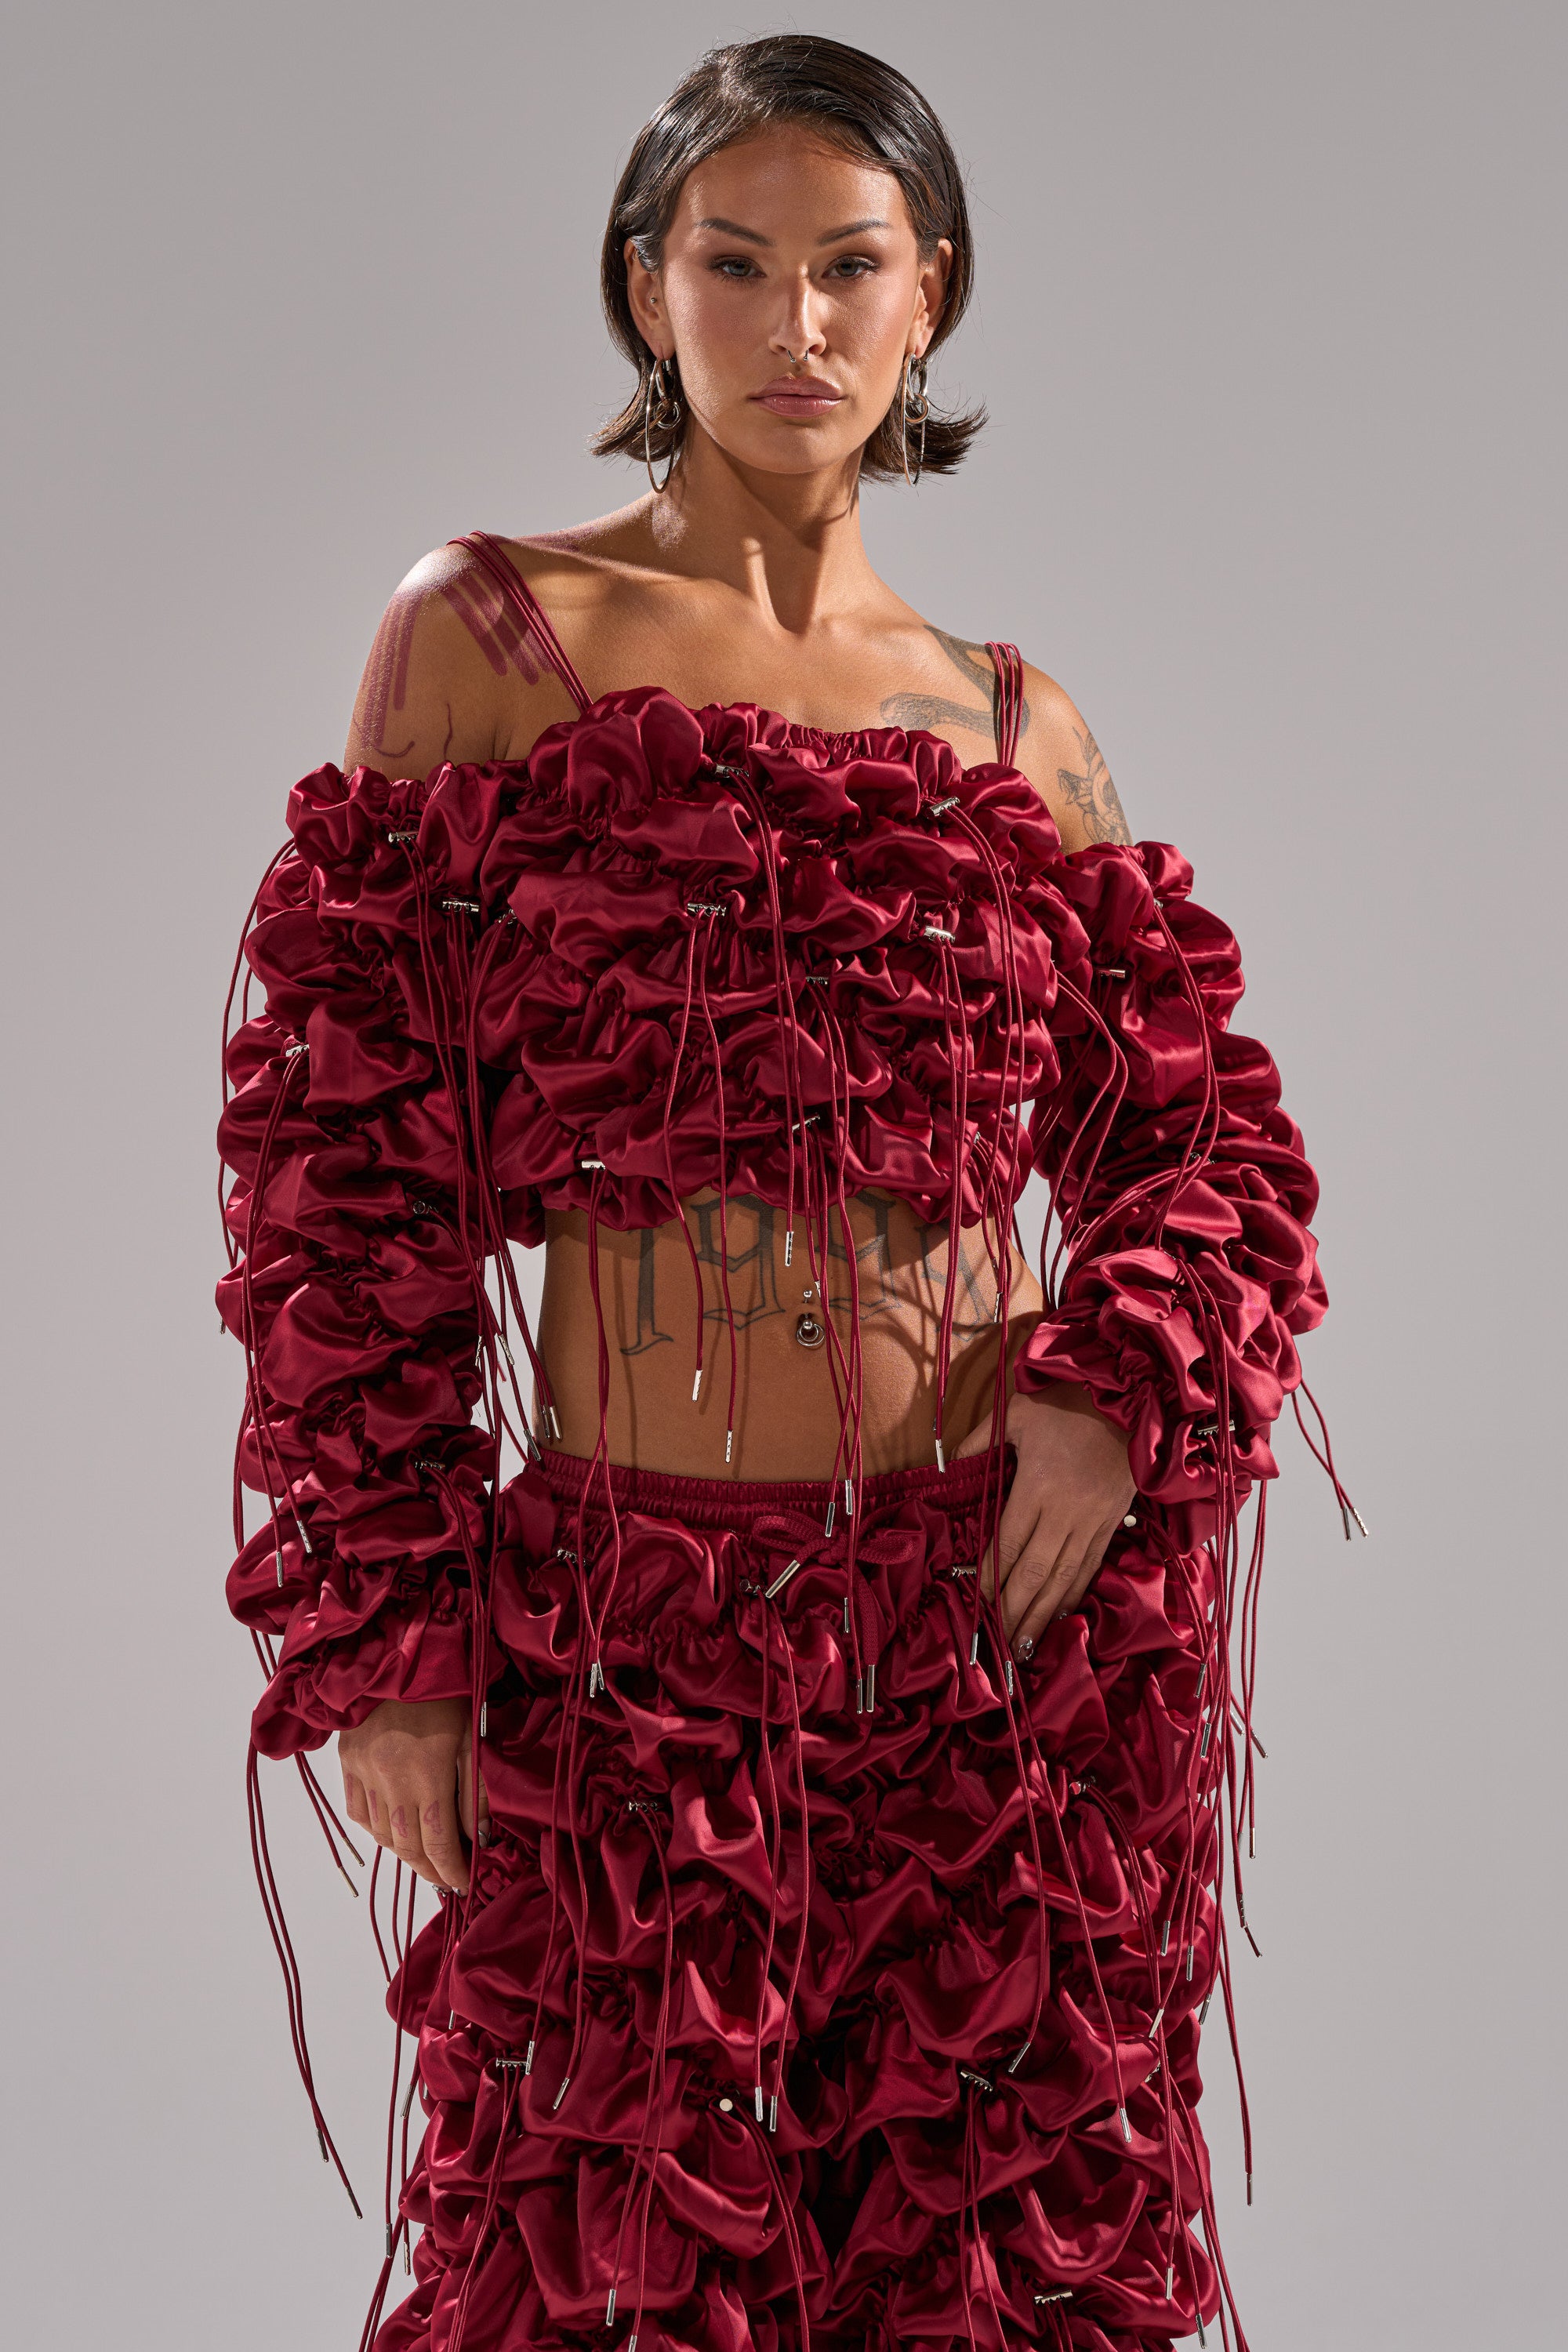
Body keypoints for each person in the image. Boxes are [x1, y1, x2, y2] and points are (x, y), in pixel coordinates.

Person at [218, 34, 1344, 2352]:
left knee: (984, 2285)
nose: (798, 325)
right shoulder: (494, 637)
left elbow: (1207, 1139)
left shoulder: (1016, 725)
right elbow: (342, 1178)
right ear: (649, 293)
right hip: (628, 1651)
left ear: (934, 299)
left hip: (993, 1652)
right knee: (619, 2276)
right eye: (738, 266)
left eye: (852, 268)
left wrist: (1111, 1389)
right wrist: (392, 1641)